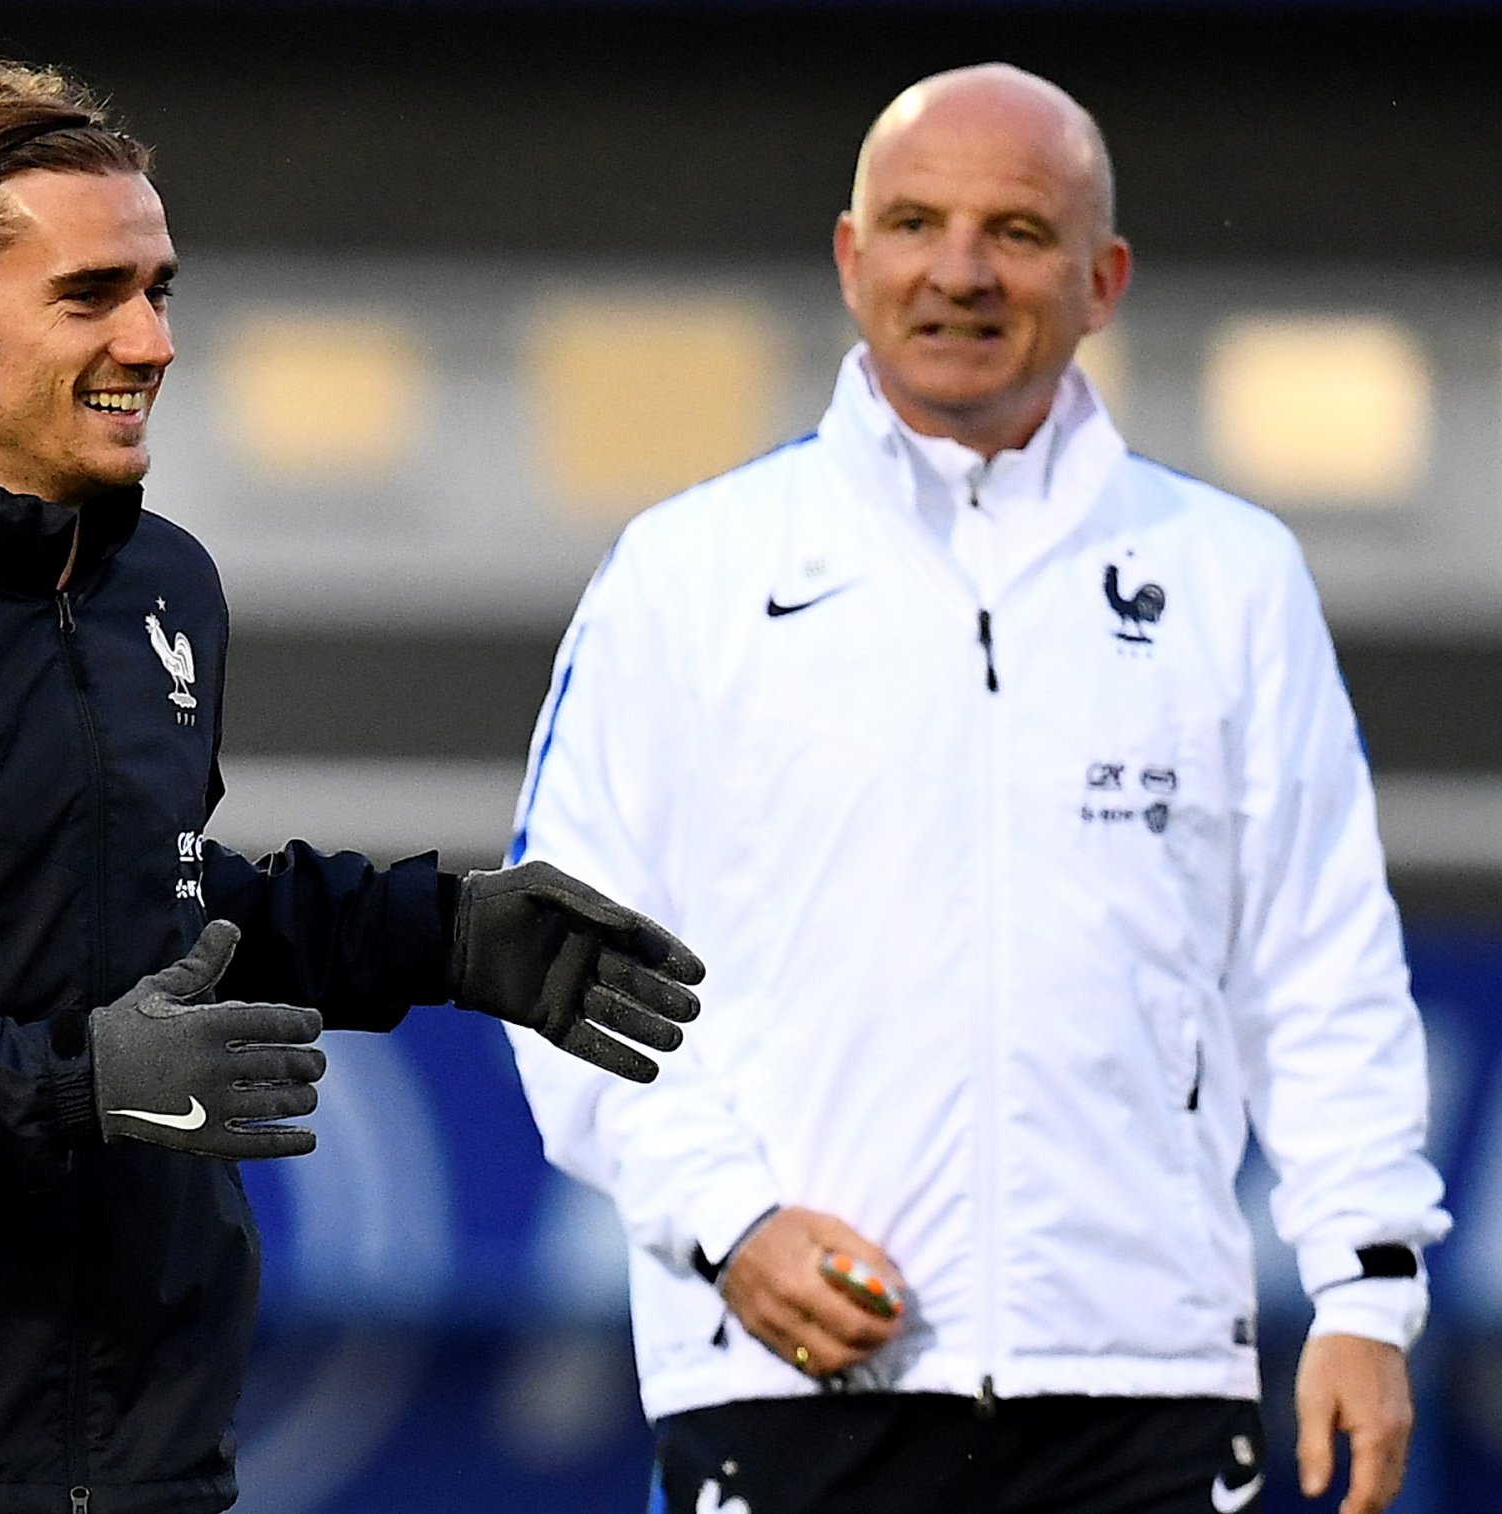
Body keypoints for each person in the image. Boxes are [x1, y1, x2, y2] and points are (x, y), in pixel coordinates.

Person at [0, 58, 703, 1514]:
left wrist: (439, 936)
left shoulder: (164, 588)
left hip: (137, 1460)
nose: (152, 339)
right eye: (91, 295)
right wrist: (79, 1087)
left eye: (160, 289)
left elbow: (146, 904)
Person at [505, 64, 1451, 1514]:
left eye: (1015, 231)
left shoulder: (1229, 576)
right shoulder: (687, 574)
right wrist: (730, 1220)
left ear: (1103, 279)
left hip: (1145, 1388)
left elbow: (1320, 962)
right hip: (789, 1377)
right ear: (850, 256)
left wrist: (1366, 1289)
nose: (958, 269)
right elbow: (566, 954)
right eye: (915, 222)